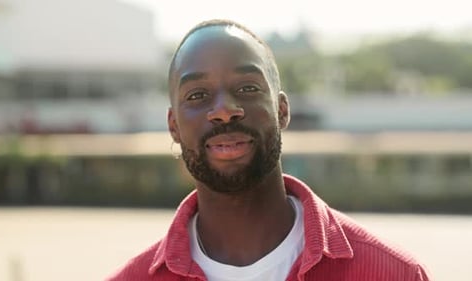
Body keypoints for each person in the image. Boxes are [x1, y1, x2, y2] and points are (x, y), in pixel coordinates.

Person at [108, 19, 432, 281]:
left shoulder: (394, 274)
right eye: (197, 95)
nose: (224, 110)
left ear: (281, 110)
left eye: (247, 88)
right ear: (173, 126)